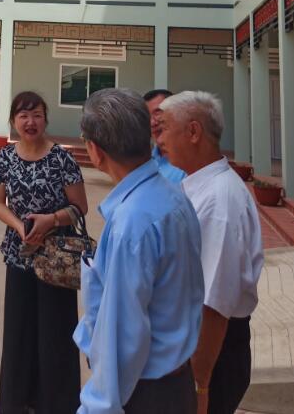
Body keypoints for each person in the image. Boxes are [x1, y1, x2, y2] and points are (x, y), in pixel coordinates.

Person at [74, 88, 204, 414]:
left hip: (145, 394)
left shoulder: (132, 223)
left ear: (95, 151)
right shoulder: (174, 196)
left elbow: (121, 340)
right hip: (175, 386)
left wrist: (95, 408)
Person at [157, 90, 263, 414]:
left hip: (211, 353)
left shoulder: (220, 202)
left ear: (193, 132)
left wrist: (199, 385)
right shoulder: (200, 186)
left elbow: (213, 305)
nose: (159, 140)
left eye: (164, 128)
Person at [0, 90, 88, 414]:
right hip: (19, 253)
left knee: (55, 332)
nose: (30, 122)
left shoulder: (62, 158)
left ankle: (57, 404)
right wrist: (20, 226)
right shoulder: (5, 157)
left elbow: (80, 206)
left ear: (46, 119)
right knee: (19, 331)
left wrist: (51, 220)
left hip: (56, 259)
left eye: (36, 115)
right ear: (13, 121)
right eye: (23, 115)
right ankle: (18, 401)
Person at [144, 88, 185, 183]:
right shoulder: (145, 162)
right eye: (147, 116)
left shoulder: (191, 163)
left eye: (158, 113)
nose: (152, 123)